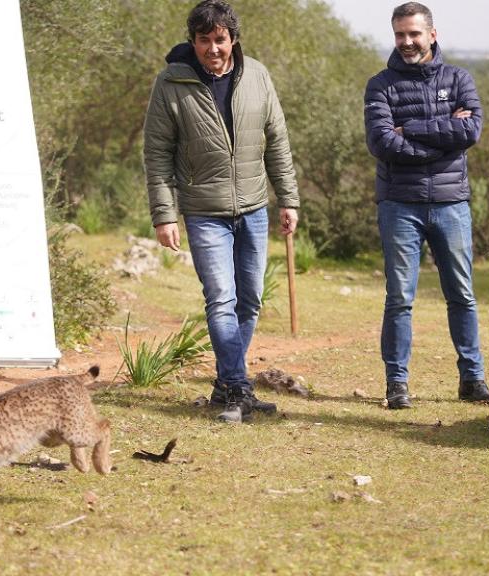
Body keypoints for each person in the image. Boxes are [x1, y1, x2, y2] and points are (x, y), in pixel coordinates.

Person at [142, 0, 299, 423]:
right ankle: (237, 386)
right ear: (192, 41)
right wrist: (164, 214)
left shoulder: (258, 76)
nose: (213, 48)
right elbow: (157, 154)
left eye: (220, 39)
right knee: (221, 299)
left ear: (233, 39)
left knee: (249, 301)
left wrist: (289, 199)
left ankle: (225, 386)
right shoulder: (171, 84)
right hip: (203, 211)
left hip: (253, 209)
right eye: (204, 40)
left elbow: (278, 142)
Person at [364, 2, 489, 410]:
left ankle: (472, 379)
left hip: (451, 203)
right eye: (400, 34)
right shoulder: (379, 85)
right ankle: (396, 384)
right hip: (399, 203)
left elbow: (470, 131)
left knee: (463, 295)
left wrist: (413, 130)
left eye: (414, 34)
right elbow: (381, 143)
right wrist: (441, 145)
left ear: (432, 35)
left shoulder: (459, 79)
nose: (407, 42)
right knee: (400, 297)